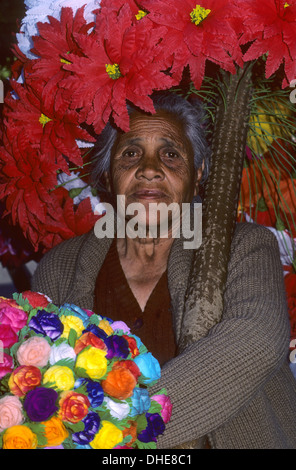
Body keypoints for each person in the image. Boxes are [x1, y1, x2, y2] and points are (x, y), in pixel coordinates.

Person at [32, 92, 296, 449]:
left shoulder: (244, 246)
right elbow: (42, 386)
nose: (150, 168)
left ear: (198, 173)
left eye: (170, 155)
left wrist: (124, 427)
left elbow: (255, 341)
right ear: (108, 174)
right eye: (130, 153)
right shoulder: (60, 267)